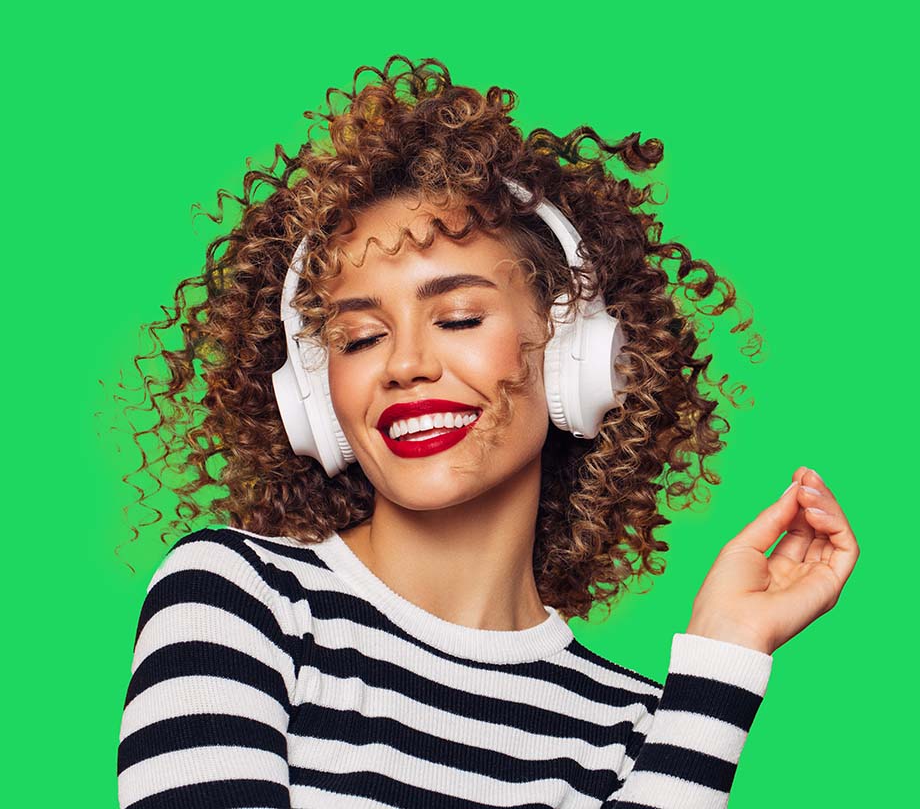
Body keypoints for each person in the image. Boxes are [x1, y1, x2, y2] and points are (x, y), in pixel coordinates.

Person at [116, 55, 859, 808]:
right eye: (360, 337)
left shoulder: (635, 731)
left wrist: (724, 658)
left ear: (572, 354)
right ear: (313, 395)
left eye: (461, 318)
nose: (404, 364)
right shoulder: (238, 600)